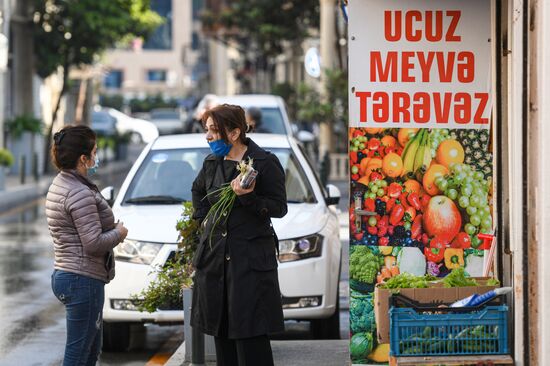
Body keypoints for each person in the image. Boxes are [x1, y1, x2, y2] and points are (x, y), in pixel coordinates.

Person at [191, 104, 287, 366]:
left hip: (250, 263)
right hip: (216, 263)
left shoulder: (264, 162)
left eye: (213, 130)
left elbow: (279, 207)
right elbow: (198, 192)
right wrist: (203, 221)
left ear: (234, 133)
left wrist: (250, 199)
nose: (208, 136)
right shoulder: (211, 163)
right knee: (222, 334)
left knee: (251, 335)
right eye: (206, 130)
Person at [45, 125, 128, 365]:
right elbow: (92, 243)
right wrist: (119, 232)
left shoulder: (61, 183)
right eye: (94, 151)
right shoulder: (78, 192)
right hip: (82, 279)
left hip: (68, 274)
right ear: (83, 158)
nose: (96, 155)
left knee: (90, 351)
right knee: (79, 354)